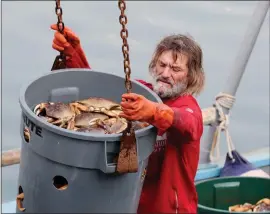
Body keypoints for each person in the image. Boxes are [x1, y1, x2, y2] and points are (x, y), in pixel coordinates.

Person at [50, 23, 205, 213]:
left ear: (191, 76)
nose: (165, 74)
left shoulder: (188, 108)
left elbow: (189, 125)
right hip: (131, 204)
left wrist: (154, 112)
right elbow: (100, 98)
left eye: (175, 69)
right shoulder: (140, 93)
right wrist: (73, 53)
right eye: (162, 65)